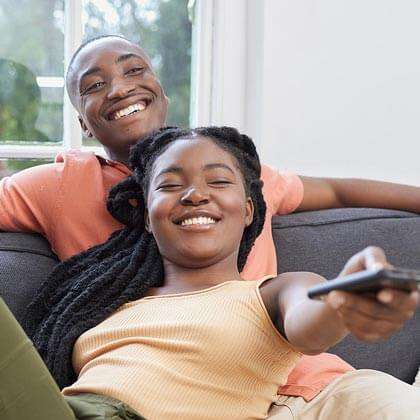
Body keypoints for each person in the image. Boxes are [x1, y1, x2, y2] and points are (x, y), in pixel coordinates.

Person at [0, 35, 420, 417]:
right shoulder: (61, 193)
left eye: (134, 70)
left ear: (250, 206)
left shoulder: (243, 185)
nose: (120, 87)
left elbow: (314, 293)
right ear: (142, 213)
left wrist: (342, 300)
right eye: (94, 85)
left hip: (306, 385)